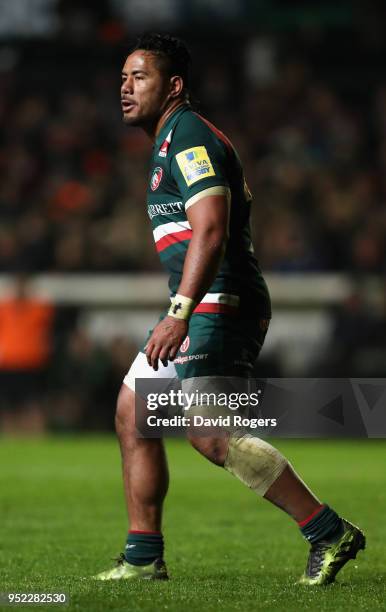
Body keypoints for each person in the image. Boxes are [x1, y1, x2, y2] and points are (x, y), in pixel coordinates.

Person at [94, 33, 365, 585]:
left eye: (139, 77)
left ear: (174, 85)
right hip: (203, 299)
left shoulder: (189, 135)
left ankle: (328, 531)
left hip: (220, 300)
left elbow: (211, 228)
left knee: (210, 433)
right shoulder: (168, 139)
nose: (125, 87)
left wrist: (180, 309)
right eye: (122, 78)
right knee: (133, 412)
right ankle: (143, 555)